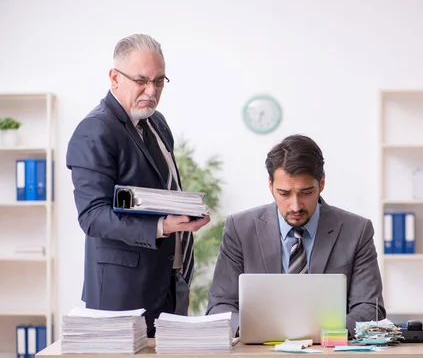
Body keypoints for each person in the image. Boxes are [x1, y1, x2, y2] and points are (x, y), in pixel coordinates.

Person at [66, 34, 210, 337]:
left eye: (159, 81)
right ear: (114, 78)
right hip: (123, 295)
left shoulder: (156, 123)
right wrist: (162, 226)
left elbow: (164, 190)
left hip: (170, 285)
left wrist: (187, 214)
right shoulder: (95, 130)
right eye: (142, 80)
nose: (151, 91)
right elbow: (92, 216)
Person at [206, 134, 385, 335]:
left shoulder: (356, 231)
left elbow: (370, 308)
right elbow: (220, 305)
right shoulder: (240, 229)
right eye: (284, 193)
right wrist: (251, 330)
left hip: (330, 354)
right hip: (259, 355)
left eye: (306, 192)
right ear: (270, 185)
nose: (296, 205)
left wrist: (322, 334)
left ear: (322, 184)